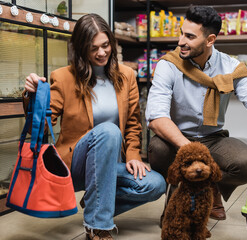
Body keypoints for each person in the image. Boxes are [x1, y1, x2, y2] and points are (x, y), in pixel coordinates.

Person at [145, 6, 247, 222]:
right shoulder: (168, 65)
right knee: (157, 148)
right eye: (181, 33)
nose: (180, 41)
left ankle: (209, 183)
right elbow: (156, 117)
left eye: (189, 36)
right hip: (175, 139)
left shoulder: (231, 67)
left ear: (210, 39)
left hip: (213, 138)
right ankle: (180, 194)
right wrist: (191, 149)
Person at [24, 14, 166, 240]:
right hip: (75, 166)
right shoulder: (63, 78)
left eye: (105, 45)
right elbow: (39, 130)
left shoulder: (127, 76)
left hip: (109, 166)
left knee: (155, 184)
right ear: (81, 49)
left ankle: (95, 202)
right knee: (109, 131)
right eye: (93, 48)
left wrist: (133, 154)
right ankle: (97, 227)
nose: (101, 53)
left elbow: (132, 122)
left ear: (111, 42)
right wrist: (33, 97)